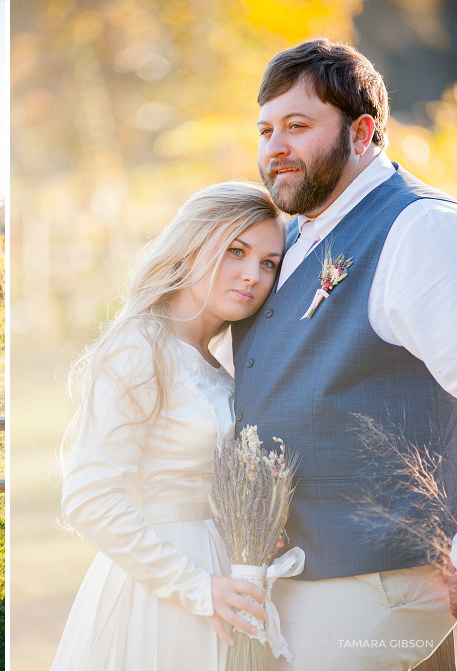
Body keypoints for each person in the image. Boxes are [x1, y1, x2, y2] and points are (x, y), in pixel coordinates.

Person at [232, 38, 457, 670]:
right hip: (305, 573)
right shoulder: (298, 233)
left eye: (298, 126)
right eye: (266, 129)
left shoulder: (420, 229)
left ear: (362, 133)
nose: (275, 146)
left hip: (381, 574)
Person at [51, 181, 284, 670]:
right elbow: (90, 498)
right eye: (235, 251)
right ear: (192, 246)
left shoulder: (222, 362)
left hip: (229, 579)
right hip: (160, 593)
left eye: (269, 263)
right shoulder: (140, 349)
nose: (252, 276)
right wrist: (197, 587)